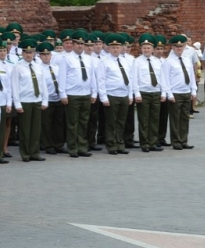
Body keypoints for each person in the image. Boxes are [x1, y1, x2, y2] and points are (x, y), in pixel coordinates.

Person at [59, 30, 97, 158]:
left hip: (86, 93)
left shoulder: (89, 59)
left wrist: (94, 93)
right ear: (73, 44)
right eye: (77, 43)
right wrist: (63, 94)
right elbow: (62, 77)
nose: (80, 46)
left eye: (82, 44)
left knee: (84, 121)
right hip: (72, 94)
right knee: (72, 123)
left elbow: (92, 77)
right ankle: (72, 148)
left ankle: (82, 146)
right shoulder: (67, 59)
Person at [10, 39, 47, 162]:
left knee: (36, 129)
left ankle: (34, 152)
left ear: (34, 53)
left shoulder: (38, 67)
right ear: (22, 53)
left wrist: (44, 100)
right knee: (25, 129)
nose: (28, 55)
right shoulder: (18, 68)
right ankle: (25, 153)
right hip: (24, 101)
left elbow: (43, 85)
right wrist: (17, 103)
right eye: (26, 52)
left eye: (31, 52)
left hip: (37, 100)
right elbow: (15, 86)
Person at [96, 34, 133, 155]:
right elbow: (101, 80)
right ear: (109, 48)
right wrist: (103, 97)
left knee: (121, 121)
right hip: (111, 94)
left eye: (117, 47)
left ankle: (120, 144)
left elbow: (130, 79)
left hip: (124, 94)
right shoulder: (104, 62)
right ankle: (111, 145)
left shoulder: (125, 61)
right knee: (111, 122)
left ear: (122, 48)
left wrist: (130, 95)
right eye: (113, 47)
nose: (115, 49)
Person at [161, 35, 197, 149]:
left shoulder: (187, 60)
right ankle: (176, 141)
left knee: (184, 118)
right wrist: (169, 94)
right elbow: (165, 79)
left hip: (186, 92)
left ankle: (183, 140)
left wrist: (193, 90)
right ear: (172, 47)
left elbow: (191, 76)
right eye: (177, 46)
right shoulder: (168, 62)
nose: (179, 49)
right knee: (175, 118)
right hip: (175, 93)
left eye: (181, 46)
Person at [131, 34, 165, 152]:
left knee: (155, 119)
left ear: (153, 49)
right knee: (144, 119)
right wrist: (137, 94)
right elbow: (134, 79)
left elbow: (162, 78)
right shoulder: (137, 62)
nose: (146, 50)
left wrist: (163, 93)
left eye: (148, 48)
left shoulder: (157, 62)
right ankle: (144, 143)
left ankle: (153, 142)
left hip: (155, 92)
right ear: (141, 49)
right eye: (144, 47)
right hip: (144, 92)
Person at [38, 42, 65, 155]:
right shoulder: (38, 69)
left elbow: (62, 81)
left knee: (58, 123)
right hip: (47, 99)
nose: (46, 56)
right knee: (46, 124)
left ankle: (59, 144)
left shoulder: (56, 68)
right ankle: (48, 145)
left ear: (51, 55)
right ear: (39, 56)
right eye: (43, 54)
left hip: (58, 98)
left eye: (48, 54)